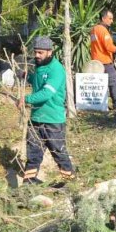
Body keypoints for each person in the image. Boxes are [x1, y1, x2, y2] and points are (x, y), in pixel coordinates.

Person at [20, 36, 75, 186]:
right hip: (36, 118)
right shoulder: (39, 66)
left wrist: (26, 100)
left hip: (53, 120)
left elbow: (46, 93)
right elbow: (39, 82)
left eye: (40, 53)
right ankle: (29, 182)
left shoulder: (56, 70)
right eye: (35, 52)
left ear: (49, 52)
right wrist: (28, 77)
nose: (36, 56)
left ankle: (69, 183)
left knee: (59, 152)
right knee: (33, 152)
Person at [90, 9, 116, 108]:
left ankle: (99, 104)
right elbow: (109, 47)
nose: (112, 21)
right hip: (104, 61)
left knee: (101, 83)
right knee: (114, 81)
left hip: (96, 61)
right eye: (110, 19)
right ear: (103, 18)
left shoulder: (94, 29)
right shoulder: (103, 30)